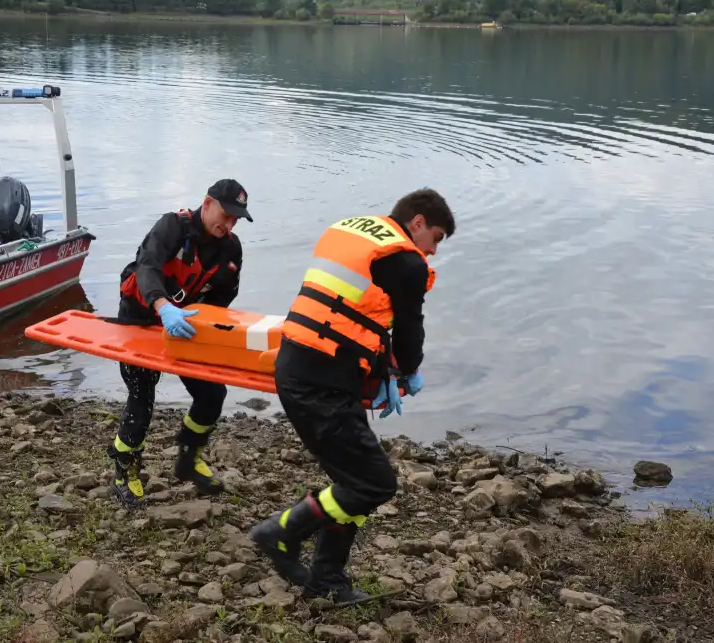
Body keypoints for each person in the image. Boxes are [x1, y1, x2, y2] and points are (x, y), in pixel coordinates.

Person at [248, 188, 456, 602]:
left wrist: (385, 369)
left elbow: (356, 313)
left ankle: (326, 579)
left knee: (353, 481)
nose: (431, 252)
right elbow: (409, 329)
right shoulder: (407, 262)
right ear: (417, 223)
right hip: (319, 384)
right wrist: (409, 371)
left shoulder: (356, 232)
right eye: (434, 238)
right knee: (374, 484)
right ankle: (279, 531)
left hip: (302, 367)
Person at [107, 179, 252, 509]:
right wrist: (162, 306)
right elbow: (146, 268)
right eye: (225, 215)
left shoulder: (231, 249)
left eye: (235, 219)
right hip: (141, 318)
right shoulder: (173, 227)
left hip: (185, 326)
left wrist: (220, 339)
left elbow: (221, 302)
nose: (228, 224)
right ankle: (122, 472)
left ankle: (188, 455)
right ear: (207, 203)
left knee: (212, 393)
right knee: (142, 399)